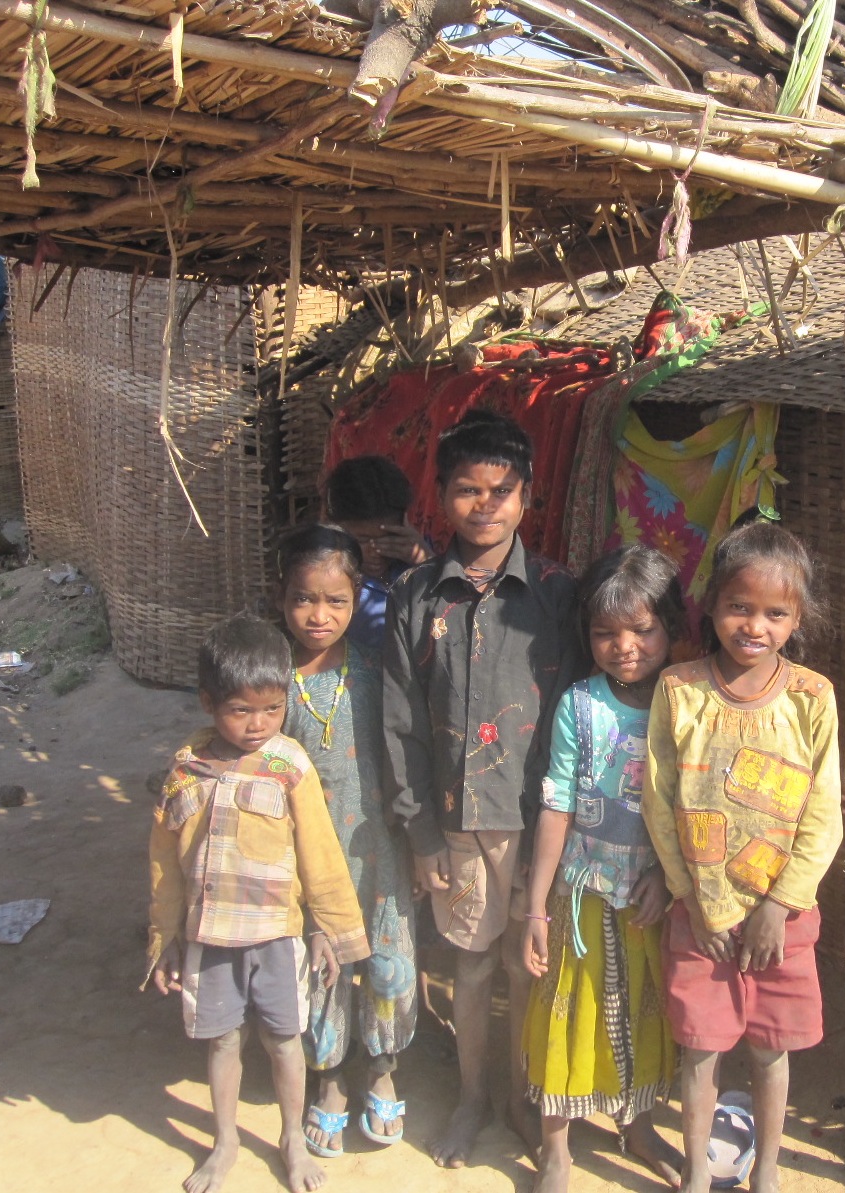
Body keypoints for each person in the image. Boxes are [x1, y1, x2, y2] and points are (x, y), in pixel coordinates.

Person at [383, 408, 581, 1168]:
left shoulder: (557, 594)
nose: (485, 503)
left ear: (526, 495)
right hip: (456, 818)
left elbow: (581, 713)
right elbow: (398, 718)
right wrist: (420, 830)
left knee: (526, 965)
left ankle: (528, 1094)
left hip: (539, 820)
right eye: (467, 488)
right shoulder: (414, 594)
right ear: (440, 494)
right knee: (468, 961)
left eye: (501, 489)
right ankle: (473, 1096)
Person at [643, 520, 843, 1193]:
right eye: (738, 607)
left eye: (774, 612)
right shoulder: (678, 689)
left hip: (779, 919)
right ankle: (698, 1171)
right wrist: (691, 896)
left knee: (768, 1051)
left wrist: (779, 904)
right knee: (699, 1051)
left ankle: (766, 1171)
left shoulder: (812, 698)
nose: (753, 625)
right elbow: (660, 798)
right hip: (700, 915)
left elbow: (822, 811)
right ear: (711, 605)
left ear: (797, 617)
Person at [145, 615, 369, 1193]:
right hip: (209, 936)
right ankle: (225, 1141)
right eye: (241, 711)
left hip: (276, 937)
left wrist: (327, 930)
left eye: (271, 710)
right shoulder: (185, 772)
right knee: (222, 1040)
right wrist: (165, 938)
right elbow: (164, 866)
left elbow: (320, 855)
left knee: (284, 1040)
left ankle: (292, 1137)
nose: (257, 725)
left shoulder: (289, 765)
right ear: (207, 702)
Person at [522, 545, 687, 1193]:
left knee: (646, 1007)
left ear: (671, 625)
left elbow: (690, 804)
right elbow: (556, 808)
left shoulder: (684, 702)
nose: (625, 646)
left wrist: (669, 877)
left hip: (653, 892)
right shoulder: (578, 706)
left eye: (642, 629)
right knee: (566, 1009)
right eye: (605, 633)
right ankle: (555, 1145)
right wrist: (536, 906)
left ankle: (638, 1126)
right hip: (583, 892)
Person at [275, 525, 417, 1159]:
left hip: (378, 847)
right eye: (306, 599)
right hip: (310, 855)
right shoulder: (271, 683)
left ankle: (382, 1070)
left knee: (389, 962)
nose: (319, 615)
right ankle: (328, 1081)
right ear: (281, 598)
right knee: (321, 968)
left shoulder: (377, 669)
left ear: (358, 596)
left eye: (336, 601)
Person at [323, 455, 430, 653]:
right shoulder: (326, 577)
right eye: (362, 540)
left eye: (388, 538)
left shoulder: (425, 560)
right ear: (335, 528)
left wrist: (427, 561)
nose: (376, 550)